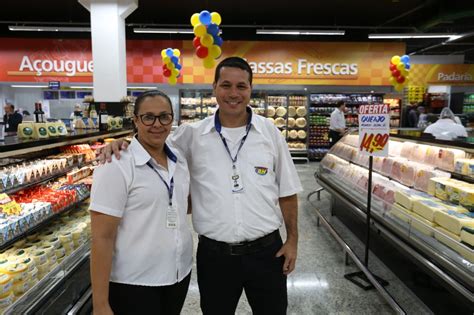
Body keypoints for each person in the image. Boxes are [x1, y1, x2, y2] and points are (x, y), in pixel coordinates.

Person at [102, 57, 302, 314]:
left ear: (251, 90)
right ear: (214, 88)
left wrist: (293, 240)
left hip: (267, 252)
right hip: (215, 257)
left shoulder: (270, 133)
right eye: (226, 85)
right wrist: (122, 143)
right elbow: (152, 139)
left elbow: (287, 191)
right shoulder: (191, 135)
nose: (233, 93)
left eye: (241, 86)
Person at [89, 90, 193, 315]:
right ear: (135, 120)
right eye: (148, 117)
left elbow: (185, 204)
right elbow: (101, 237)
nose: (157, 124)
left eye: (164, 116)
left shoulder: (179, 159)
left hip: (178, 274)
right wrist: (100, 304)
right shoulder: (115, 164)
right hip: (135, 283)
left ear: (172, 119)